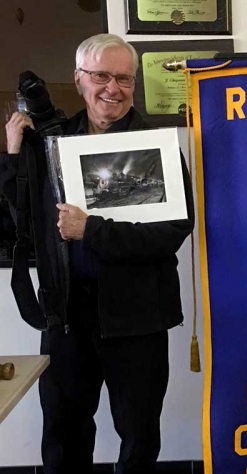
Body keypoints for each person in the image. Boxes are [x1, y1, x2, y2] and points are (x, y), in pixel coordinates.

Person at [0, 34, 195, 473]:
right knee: (64, 436)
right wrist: (13, 154)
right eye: (101, 75)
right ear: (79, 79)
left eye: (124, 78)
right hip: (66, 314)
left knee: (139, 437)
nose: (113, 88)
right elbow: (20, 222)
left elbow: (173, 231)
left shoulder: (157, 147)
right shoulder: (52, 140)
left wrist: (93, 230)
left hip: (138, 317)